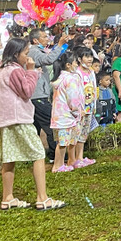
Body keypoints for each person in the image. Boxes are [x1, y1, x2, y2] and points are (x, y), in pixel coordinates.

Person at [0, 37, 64, 210]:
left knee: (9, 159)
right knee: (38, 154)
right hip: (18, 118)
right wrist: (31, 71)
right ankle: (42, 198)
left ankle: (7, 197)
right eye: (26, 53)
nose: (28, 57)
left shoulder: (5, 69)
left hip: (6, 118)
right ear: (16, 54)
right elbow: (27, 92)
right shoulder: (15, 70)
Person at [27, 28, 69, 161]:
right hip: (38, 96)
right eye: (44, 37)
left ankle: (33, 155)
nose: (47, 39)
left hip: (37, 95)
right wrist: (60, 45)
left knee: (36, 127)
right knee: (51, 124)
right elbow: (49, 59)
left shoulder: (34, 51)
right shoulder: (34, 51)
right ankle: (53, 154)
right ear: (35, 40)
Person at [50, 51, 84, 172]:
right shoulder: (70, 79)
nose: (77, 64)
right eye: (75, 62)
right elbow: (73, 99)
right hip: (67, 115)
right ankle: (58, 166)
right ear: (68, 65)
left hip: (59, 115)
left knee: (62, 142)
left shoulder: (60, 78)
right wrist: (77, 111)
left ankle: (62, 164)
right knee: (63, 143)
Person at [74, 47, 98, 169]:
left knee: (84, 133)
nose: (90, 59)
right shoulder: (76, 73)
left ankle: (80, 157)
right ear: (79, 59)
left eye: (90, 56)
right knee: (77, 132)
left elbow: (94, 88)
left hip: (90, 107)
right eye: (87, 56)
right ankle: (74, 158)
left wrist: (94, 104)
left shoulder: (91, 72)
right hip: (80, 109)